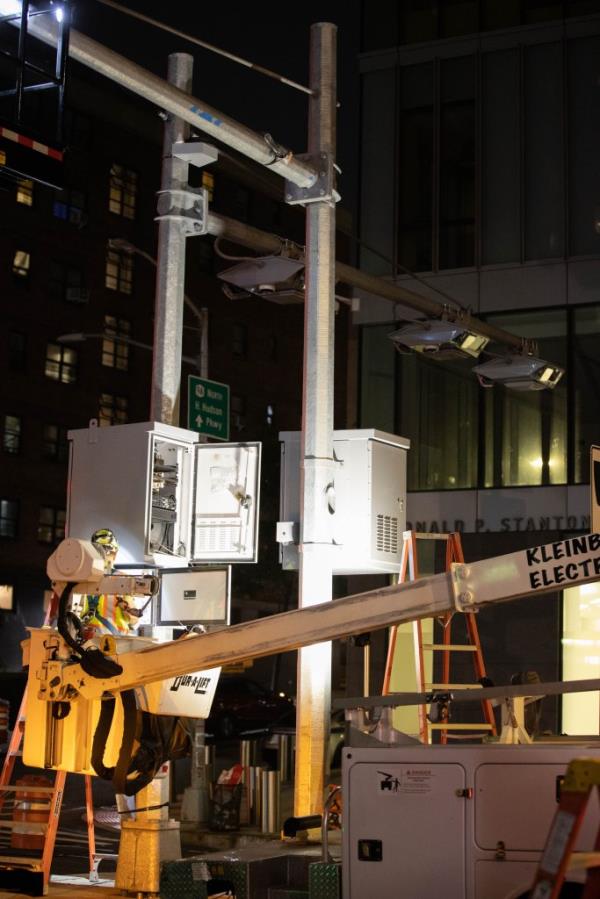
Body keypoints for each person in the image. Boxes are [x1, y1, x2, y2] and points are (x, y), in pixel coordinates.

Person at [80, 528, 144, 638]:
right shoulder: (123, 579)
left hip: (87, 642)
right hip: (115, 643)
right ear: (114, 554)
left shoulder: (82, 578)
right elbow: (134, 621)